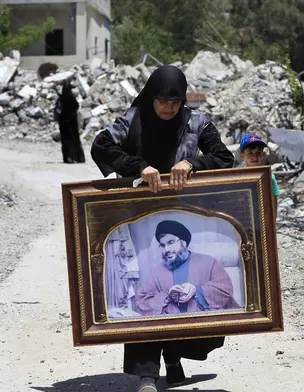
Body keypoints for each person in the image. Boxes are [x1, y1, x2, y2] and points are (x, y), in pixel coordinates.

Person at [90, 65, 234, 392]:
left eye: (176, 102)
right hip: (140, 217)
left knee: (187, 285)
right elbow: (101, 146)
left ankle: (174, 357)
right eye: (162, 102)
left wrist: (193, 163)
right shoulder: (132, 119)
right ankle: (147, 373)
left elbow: (224, 157)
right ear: (150, 97)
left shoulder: (197, 123)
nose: (169, 108)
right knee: (150, 285)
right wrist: (138, 166)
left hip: (184, 212)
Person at [136, 220, 240, 316]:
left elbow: (225, 290)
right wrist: (167, 297)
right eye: (163, 245)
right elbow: (142, 302)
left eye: (171, 242)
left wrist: (197, 290)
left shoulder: (208, 262)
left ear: (184, 242)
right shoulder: (158, 272)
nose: (166, 249)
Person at [239, 133, 280, 222]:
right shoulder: (238, 178)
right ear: (242, 156)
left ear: (263, 154)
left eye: (258, 153)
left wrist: (272, 224)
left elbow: (273, 202)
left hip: (263, 222)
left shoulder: (269, 177)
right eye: (250, 153)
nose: (254, 157)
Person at [55, 81, 86, 163]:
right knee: (74, 139)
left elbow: (57, 110)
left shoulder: (61, 98)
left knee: (66, 141)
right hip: (72, 122)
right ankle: (77, 158)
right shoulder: (72, 98)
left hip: (63, 123)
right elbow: (76, 106)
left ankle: (68, 158)